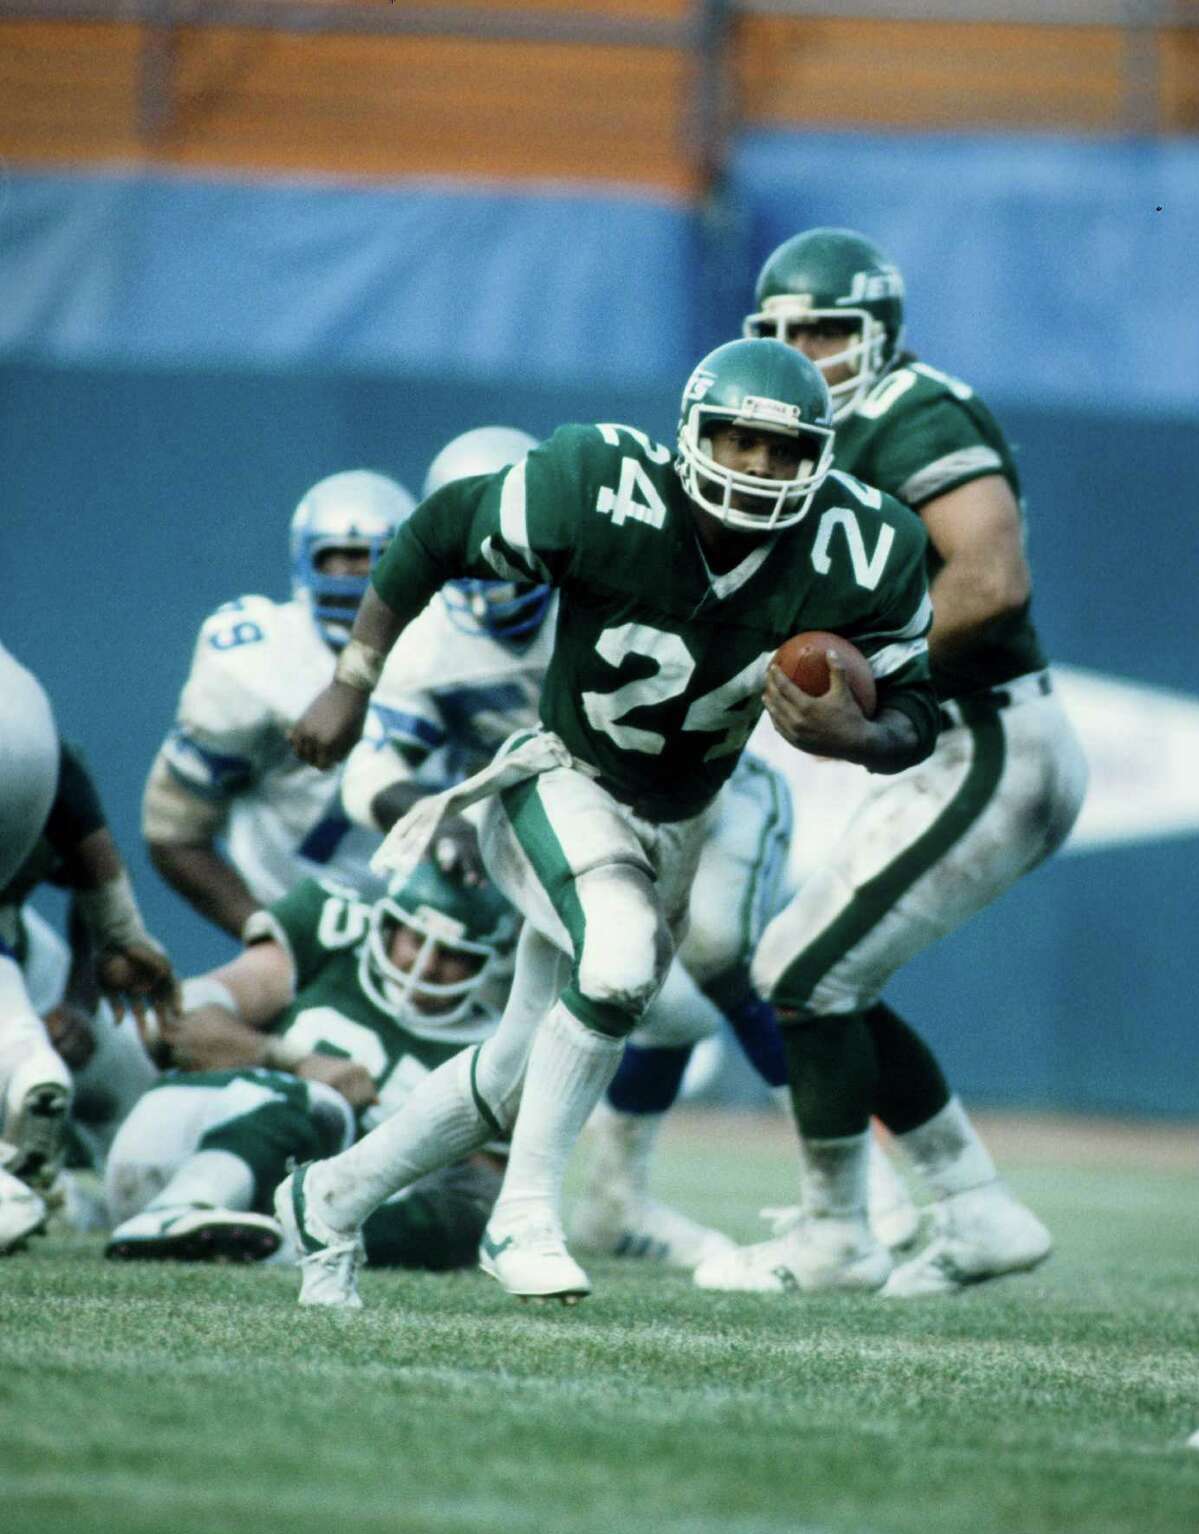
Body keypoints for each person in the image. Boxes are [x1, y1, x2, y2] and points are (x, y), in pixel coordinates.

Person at [277, 336, 940, 1309]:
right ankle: (525, 1214)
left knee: (515, 1070)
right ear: (691, 432)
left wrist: (861, 735)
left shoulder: (863, 548)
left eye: (784, 451)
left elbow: (918, 708)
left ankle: (329, 1200)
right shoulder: (600, 483)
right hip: (564, 777)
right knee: (621, 962)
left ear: (822, 458)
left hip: (684, 817)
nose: (757, 468)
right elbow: (437, 530)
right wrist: (352, 677)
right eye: (736, 441)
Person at [691, 227, 1088, 1298]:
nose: (804, 352)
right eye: (780, 334)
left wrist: (875, 664)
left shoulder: (913, 412)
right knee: (820, 973)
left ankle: (838, 1234)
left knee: (805, 974)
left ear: (881, 333)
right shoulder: (797, 433)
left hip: (991, 736)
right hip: (947, 738)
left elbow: (993, 578)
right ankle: (974, 1209)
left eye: (825, 330)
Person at [342, 424, 801, 1271]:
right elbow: (367, 774)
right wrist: (438, 817)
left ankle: (615, 1193)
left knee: (696, 985)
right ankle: (458, 1202)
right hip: (537, 823)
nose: (507, 561)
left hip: (688, 804)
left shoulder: (610, 564)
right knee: (591, 999)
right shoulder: (434, 645)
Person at [104, 864, 514, 1270]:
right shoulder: (333, 941)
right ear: (387, 925)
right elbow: (174, 1025)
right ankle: (181, 1206)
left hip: (272, 1206)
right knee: (320, 1104)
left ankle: (278, 1249)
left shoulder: (497, 1051)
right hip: (177, 1143)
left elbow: (478, 1194)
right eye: (417, 939)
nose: (426, 966)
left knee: (442, 1213)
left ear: (484, 964)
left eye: (453, 954)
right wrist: (295, 1061)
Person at [142, 469, 416, 941]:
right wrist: (271, 935)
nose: (355, 578)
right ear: (302, 560)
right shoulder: (256, 660)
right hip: (305, 923)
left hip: (450, 935)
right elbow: (174, 832)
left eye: (378, 560)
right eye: (337, 558)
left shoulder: (447, 652)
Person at [0, 651, 178, 1253]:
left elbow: (84, 856)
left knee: (124, 1070)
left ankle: (131, 1205)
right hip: (14, 938)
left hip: (23, 946)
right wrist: (123, 930)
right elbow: (72, 796)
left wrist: (78, 1002)